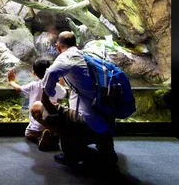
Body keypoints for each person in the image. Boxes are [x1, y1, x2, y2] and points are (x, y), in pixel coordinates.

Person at [30, 31, 119, 168]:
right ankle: (105, 148)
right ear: (76, 45)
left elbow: (51, 72)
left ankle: (72, 150)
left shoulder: (65, 57)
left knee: (37, 107)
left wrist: (46, 98)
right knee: (74, 108)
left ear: (58, 47)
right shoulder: (87, 56)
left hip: (85, 122)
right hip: (106, 119)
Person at [7, 59, 67, 150]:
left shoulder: (33, 85)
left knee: (28, 134)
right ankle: (50, 133)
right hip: (52, 122)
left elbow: (19, 88)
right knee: (55, 124)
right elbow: (62, 94)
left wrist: (11, 81)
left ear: (34, 73)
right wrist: (60, 82)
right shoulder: (56, 86)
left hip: (36, 125)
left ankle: (38, 136)